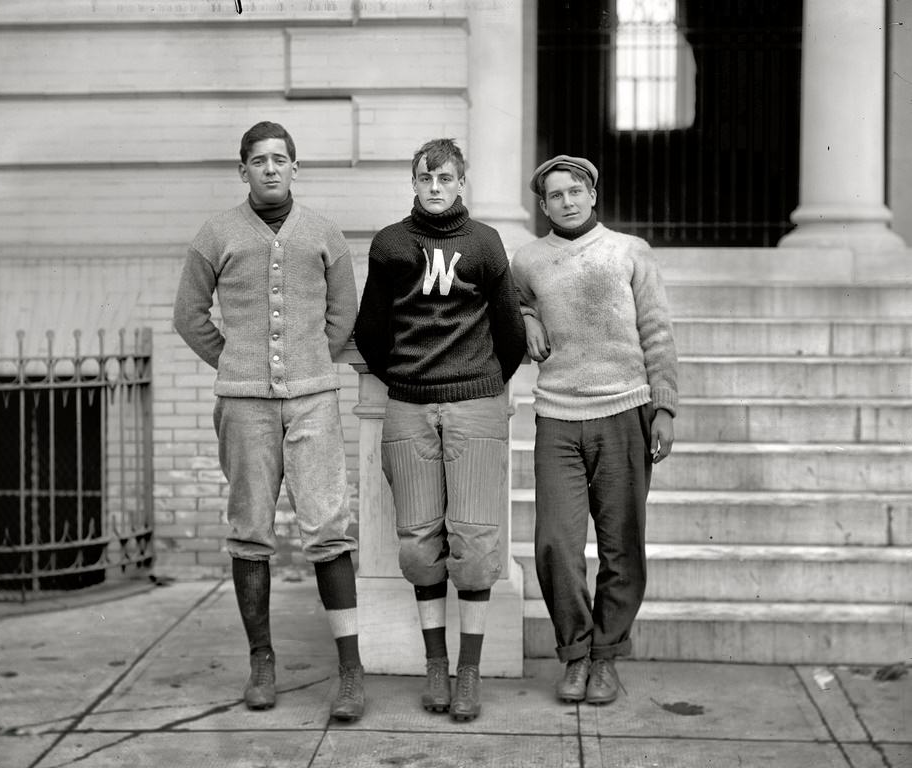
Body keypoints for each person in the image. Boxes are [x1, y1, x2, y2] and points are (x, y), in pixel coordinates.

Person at [173, 121, 365, 721]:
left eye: (281, 159)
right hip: (244, 405)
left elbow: (344, 314)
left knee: (328, 526)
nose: (271, 168)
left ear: (296, 167)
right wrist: (233, 361)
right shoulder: (217, 234)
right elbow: (189, 315)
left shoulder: (324, 234)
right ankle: (262, 660)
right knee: (251, 529)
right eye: (259, 160)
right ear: (244, 170)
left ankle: (351, 670)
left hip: (313, 400)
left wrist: (311, 361)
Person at [354, 138, 526, 721]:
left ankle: (469, 671)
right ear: (413, 182)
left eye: (446, 178)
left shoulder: (484, 243)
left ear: (461, 182)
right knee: (418, 540)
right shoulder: (391, 244)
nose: (435, 187)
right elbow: (372, 329)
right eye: (426, 178)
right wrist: (406, 377)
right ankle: (435, 666)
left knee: (475, 543)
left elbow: (510, 333)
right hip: (408, 406)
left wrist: (477, 383)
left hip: (475, 404)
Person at [510, 155, 678, 706]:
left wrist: (665, 407)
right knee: (556, 544)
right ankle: (575, 654)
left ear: (592, 195)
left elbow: (656, 330)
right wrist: (526, 317)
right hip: (558, 415)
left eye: (576, 190)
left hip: (625, 410)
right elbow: (508, 304)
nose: (567, 200)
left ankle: (606, 657)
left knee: (621, 545)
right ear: (543, 205)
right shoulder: (528, 259)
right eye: (556, 194)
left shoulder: (629, 250)